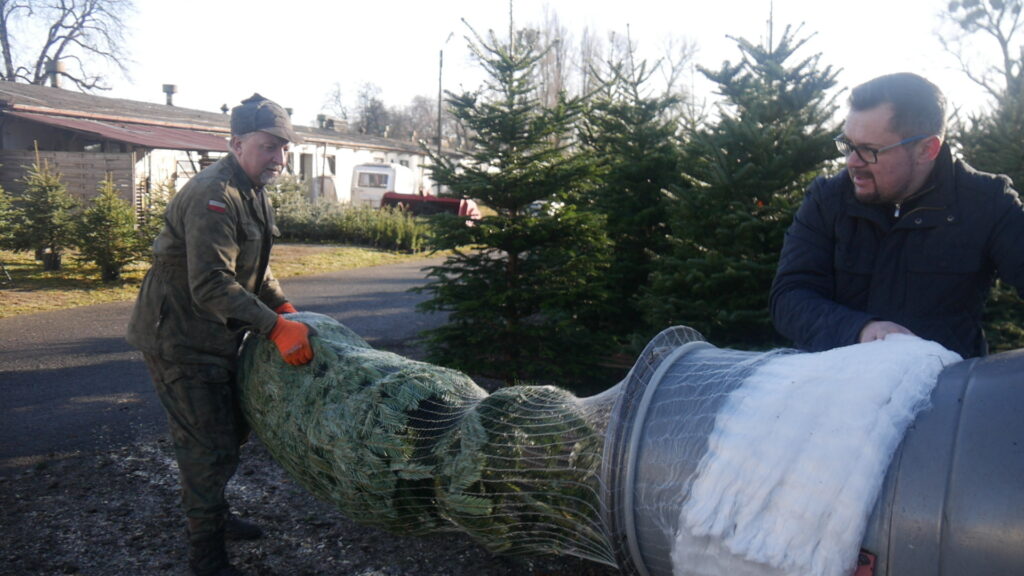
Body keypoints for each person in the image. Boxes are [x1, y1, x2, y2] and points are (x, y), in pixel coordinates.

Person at [127, 93, 315, 576]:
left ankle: (215, 512)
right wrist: (274, 327)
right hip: (180, 336)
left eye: (284, 148)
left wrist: (283, 307)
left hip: (216, 333)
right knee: (207, 445)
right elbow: (211, 282)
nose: (279, 158)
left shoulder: (251, 189)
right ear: (236, 144)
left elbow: (253, 267)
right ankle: (206, 554)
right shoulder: (215, 194)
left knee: (230, 431)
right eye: (268, 146)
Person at [770, 72, 1024, 359]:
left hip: (944, 382)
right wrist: (861, 330)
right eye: (848, 144)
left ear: (926, 149)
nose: (852, 162)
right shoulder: (827, 200)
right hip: (834, 379)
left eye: (869, 150)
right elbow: (788, 297)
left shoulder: (987, 202)